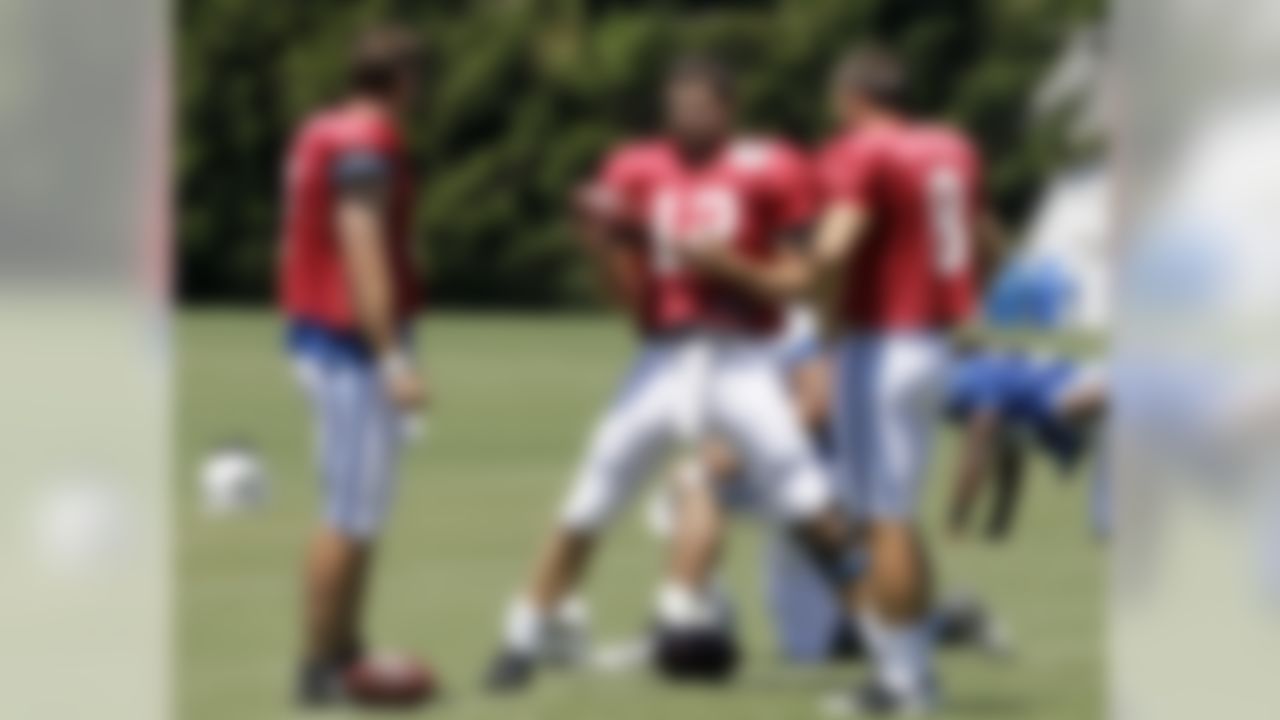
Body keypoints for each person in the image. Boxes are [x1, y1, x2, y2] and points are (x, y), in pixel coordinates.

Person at [483, 56, 871, 693]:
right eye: (676, 103)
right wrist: (600, 251)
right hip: (663, 355)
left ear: (728, 107)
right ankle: (523, 638)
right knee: (592, 493)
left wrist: (728, 267)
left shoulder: (770, 165)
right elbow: (626, 304)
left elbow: (805, 279)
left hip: (746, 354)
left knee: (808, 498)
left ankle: (889, 639)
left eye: (700, 104)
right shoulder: (635, 168)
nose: (686, 117)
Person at [680, 46, 1000, 714]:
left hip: (882, 345)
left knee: (884, 521)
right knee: (895, 518)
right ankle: (910, 669)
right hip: (934, 342)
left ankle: (906, 683)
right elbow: (987, 238)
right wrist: (966, 300)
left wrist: (734, 268)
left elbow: (827, 255)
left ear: (852, 98)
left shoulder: (860, 152)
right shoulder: (951, 146)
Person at [279, 26, 434, 707]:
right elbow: (362, 246)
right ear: (405, 83)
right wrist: (392, 356)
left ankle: (343, 649)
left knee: (361, 505)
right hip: (349, 346)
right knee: (348, 510)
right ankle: (318, 667)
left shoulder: (324, 126)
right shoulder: (365, 144)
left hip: (325, 335)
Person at [944, 345, 1108, 541]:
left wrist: (956, 520)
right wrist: (999, 524)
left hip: (1095, 390)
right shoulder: (995, 371)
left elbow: (976, 453)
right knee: (1107, 525)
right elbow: (1010, 451)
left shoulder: (967, 379)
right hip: (1092, 394)